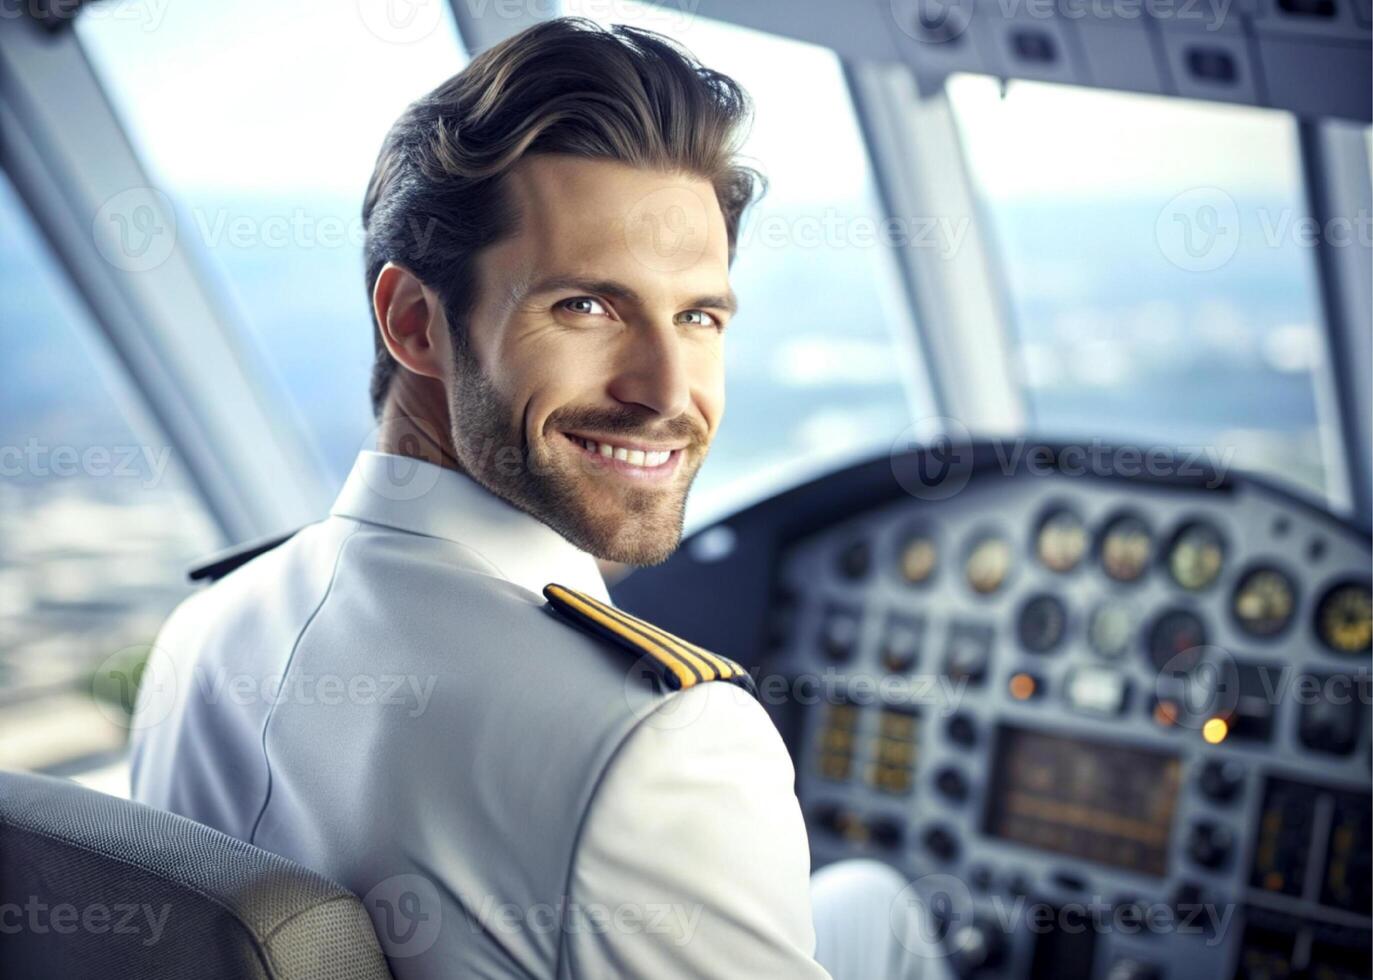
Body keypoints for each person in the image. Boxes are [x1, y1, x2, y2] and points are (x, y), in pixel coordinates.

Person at [130, 18, 948, 979]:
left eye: (696, 316)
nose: (667, 392)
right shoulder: (662, 742)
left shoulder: (203, 630)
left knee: (865, 903)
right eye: (586, 307)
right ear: (413, 322)